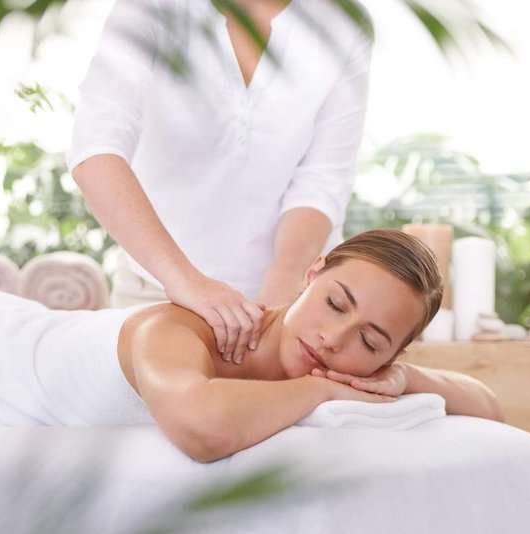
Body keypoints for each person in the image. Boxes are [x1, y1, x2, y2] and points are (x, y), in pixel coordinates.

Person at [0, 230, 504, 463]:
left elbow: (488, 407)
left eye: (370, 340)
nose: (335, 338)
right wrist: (323, 386)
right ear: (313, 274)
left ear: (389, 355)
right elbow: (200, 428)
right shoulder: (191, 328)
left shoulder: (368, 364)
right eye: (336, 303)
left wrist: (406, 379)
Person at [68, 0, 374, 366]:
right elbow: (97, 152)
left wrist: (276, 303)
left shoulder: (343, 18)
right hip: (159, 291)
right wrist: (186, 282)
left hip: (292, 304)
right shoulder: (152, 7)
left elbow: (322, 180)